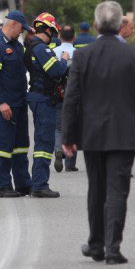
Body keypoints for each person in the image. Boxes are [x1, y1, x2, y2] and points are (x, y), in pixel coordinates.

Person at [62, 1, 135, 265]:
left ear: (95, 25)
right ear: (120, 25)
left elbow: (72, 99)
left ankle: (96, 243)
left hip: (91, 133)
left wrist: (68, 137)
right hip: (124, 132)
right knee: (117, 190)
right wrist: (127, 105)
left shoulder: (83, 55)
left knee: (96, 189)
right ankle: (113, 247)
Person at [0, 10, 35, 197]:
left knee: (21, 146)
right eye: (21, 29)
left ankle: (23, 184)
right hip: (7, 105)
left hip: (20, 103)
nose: (21, 33)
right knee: (5, 147)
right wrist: (1, 103)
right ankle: (3, 186)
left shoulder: (16, 45)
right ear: (13, 24)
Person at [25, 13, 69, 197]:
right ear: (49, 30)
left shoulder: (32, 47)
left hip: (39, 97)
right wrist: (64, 59)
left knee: (43, 140)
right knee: (45, 142)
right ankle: (40, 185)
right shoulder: (42, 49)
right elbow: (56, 70)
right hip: (44, 100)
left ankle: (38, 183)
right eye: (53, 31)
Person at [52, 25, 78, 172]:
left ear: (60, 37)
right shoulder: (78, 54)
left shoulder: (53, 52)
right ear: (74, 37)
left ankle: (58, 150)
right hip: (74, 96)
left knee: (58, 127)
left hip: (58, 94)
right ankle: (70, 163)